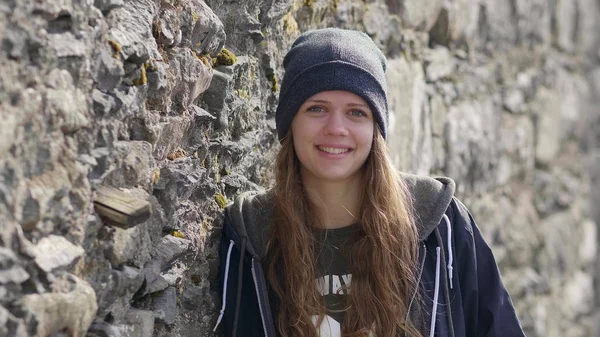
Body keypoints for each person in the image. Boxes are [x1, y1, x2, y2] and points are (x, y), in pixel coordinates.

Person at [213, 28, 525, 337]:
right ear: (290, 123)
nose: (336, 128)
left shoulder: (440, 224)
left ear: (376, 129)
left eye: (356, 112)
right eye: (316, 109)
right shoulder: (251, 236)